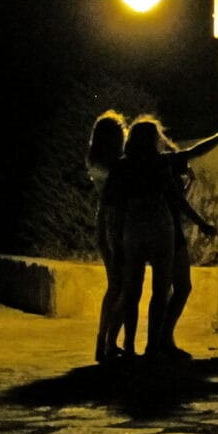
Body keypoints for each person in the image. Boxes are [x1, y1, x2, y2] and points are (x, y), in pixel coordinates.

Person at [147, 118, 218, 358]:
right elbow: (178, 198)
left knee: (164, 290)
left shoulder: (138, 166)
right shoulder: (162, 163)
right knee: (179, 287)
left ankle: (157, 342)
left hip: (153, 232)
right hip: (170, 232)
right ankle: (161, 341)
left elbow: (177, 196)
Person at [101, 119, 188, 358]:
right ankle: (153, 345)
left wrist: (115, 237)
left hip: (134, 227)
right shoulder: (159, 163)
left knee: (132, 290)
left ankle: (129, 345)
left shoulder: (121, 167)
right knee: (160, 290)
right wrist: (200, 221)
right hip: (160, 225)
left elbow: (113, 203)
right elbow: (174, 194)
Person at [86, 110, 129, 363]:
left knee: (116, 286)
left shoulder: (96, 161)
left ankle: (105, 341)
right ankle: (108, 341)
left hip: (105, 220)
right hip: (117, 223)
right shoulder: (116, 164)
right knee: (122, 287)